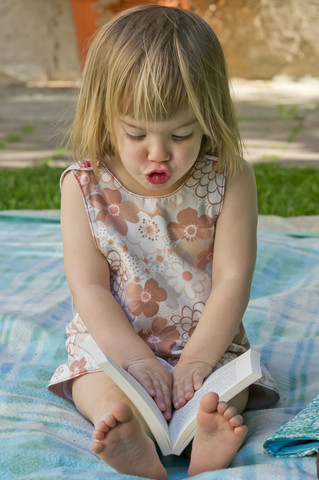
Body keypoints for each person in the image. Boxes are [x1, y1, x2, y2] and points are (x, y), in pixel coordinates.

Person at [49, 5, 279, 479]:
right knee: (92, 387)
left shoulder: (228, 177)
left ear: (207, 116)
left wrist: (197, 360)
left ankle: (206, 439)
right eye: (136, 133)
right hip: (116, 346)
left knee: (220, 394)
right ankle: (130, 437)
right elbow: (88, 288)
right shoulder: (83, 186)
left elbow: (233, 280)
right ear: (105, 115)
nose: (159, 153)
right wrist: (134, 359)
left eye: (180, 132)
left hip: (208, 344)